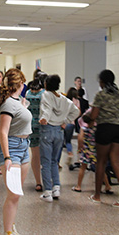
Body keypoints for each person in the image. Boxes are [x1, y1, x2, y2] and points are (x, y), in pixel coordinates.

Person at [0, 68, 32, 235]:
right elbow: (3, 131)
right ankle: (8, 231)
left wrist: (23, 106)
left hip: (24, 147)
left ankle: (11, 225)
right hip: (13, 148)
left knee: (17, 193)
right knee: (13, 194)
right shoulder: (8, 103)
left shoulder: (17, 101)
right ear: (20, 83)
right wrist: (7, 156)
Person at [89, 69, 119, 209]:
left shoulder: (100, 95)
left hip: (104, 129)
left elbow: (94, 115)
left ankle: (97, 196)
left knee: (101, 162)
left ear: (102, 82)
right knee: (116, 161)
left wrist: (89, 120)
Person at [39, 74, 80, 202]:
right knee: (54, 162)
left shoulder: (46, 94)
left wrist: (44, 118)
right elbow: (77, 112)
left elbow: (47, 108)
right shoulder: (64, 99)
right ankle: (56, 188)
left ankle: (47, 192)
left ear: (46, 85)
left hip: (47, 129)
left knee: (45, 162)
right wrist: (66, 121)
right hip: (59, 132)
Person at [72, 110, 113, 193]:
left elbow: (80, 138)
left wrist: (80, 147)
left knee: (83, 168)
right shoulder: (96, 129)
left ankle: (78, 186)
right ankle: (107, 186)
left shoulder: (84, 128)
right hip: (96, 151)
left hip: (86, 151)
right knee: (100, 169)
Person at [25, 77, 45, 192]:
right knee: (46, 156)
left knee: (35, 155)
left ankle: (38, 182)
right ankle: (48, 181)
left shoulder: (28, 93)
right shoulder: (44, 94)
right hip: (43, 126)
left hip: (31, 125)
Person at [64, 87, 80, 166]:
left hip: (64, 123)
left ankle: (57, 161)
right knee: (68, 141)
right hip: (72, 123)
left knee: (61, 142)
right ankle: (70, 153)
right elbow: (78, 112)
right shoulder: (77, 101)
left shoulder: (65, 101)